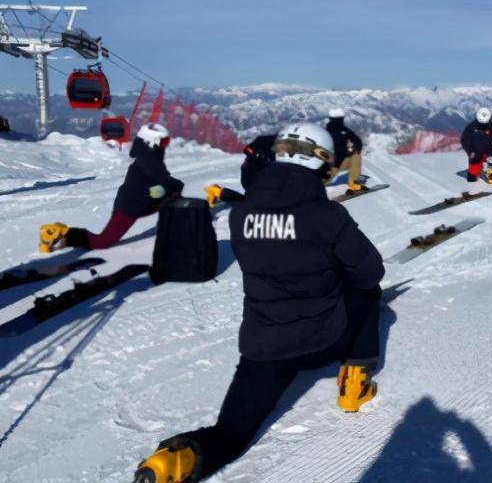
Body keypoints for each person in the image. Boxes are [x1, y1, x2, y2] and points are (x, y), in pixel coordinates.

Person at [134, 122, 385, 482]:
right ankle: (354, 385)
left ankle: (176, 461)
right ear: (321, 162)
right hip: (323, 338)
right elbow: (371, 273)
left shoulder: (241, 214)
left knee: (231, 433)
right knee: (368, 294)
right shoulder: (327, 216)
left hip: (263, 346)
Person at [39, 124, 183, 252]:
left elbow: (163, 180)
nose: (165, 145)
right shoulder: (147, 158)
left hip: (145, 201)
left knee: (173, 197)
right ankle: (60, 233)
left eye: (166, 141)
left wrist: (171, 188)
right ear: (150, 141)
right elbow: (162, 178)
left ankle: (182, 228)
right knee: (102, 242)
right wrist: (174, 186)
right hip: (130, 207)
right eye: (163, 141)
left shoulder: (150, 155)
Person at [205, 133, 276, 206]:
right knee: (252, 204)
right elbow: (247, 149)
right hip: (250, 173)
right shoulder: (266, 139)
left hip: (264, 177)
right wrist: (259, 156)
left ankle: (218, 191)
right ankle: (217, 191)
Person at [324, 107, 366, 193]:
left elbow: (356, 140)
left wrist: (356, 147)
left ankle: (354, 183)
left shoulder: (342, 131)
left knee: (355, 156)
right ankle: (354, 184)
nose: (339, 121)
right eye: (338, 119)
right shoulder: (327, 133)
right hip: (331, 167)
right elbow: (357, 141)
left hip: (338, 164)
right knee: (355, 157)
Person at [461, 107, 492, 184]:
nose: (483, 126)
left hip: (489, 152)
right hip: (475, 152)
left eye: (485, 124)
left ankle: (491, 180)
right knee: (471, 178)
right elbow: (464, 141)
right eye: (481, 123)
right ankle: (471, 185)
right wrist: (470, 152)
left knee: (491, 177)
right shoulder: (471, 127)